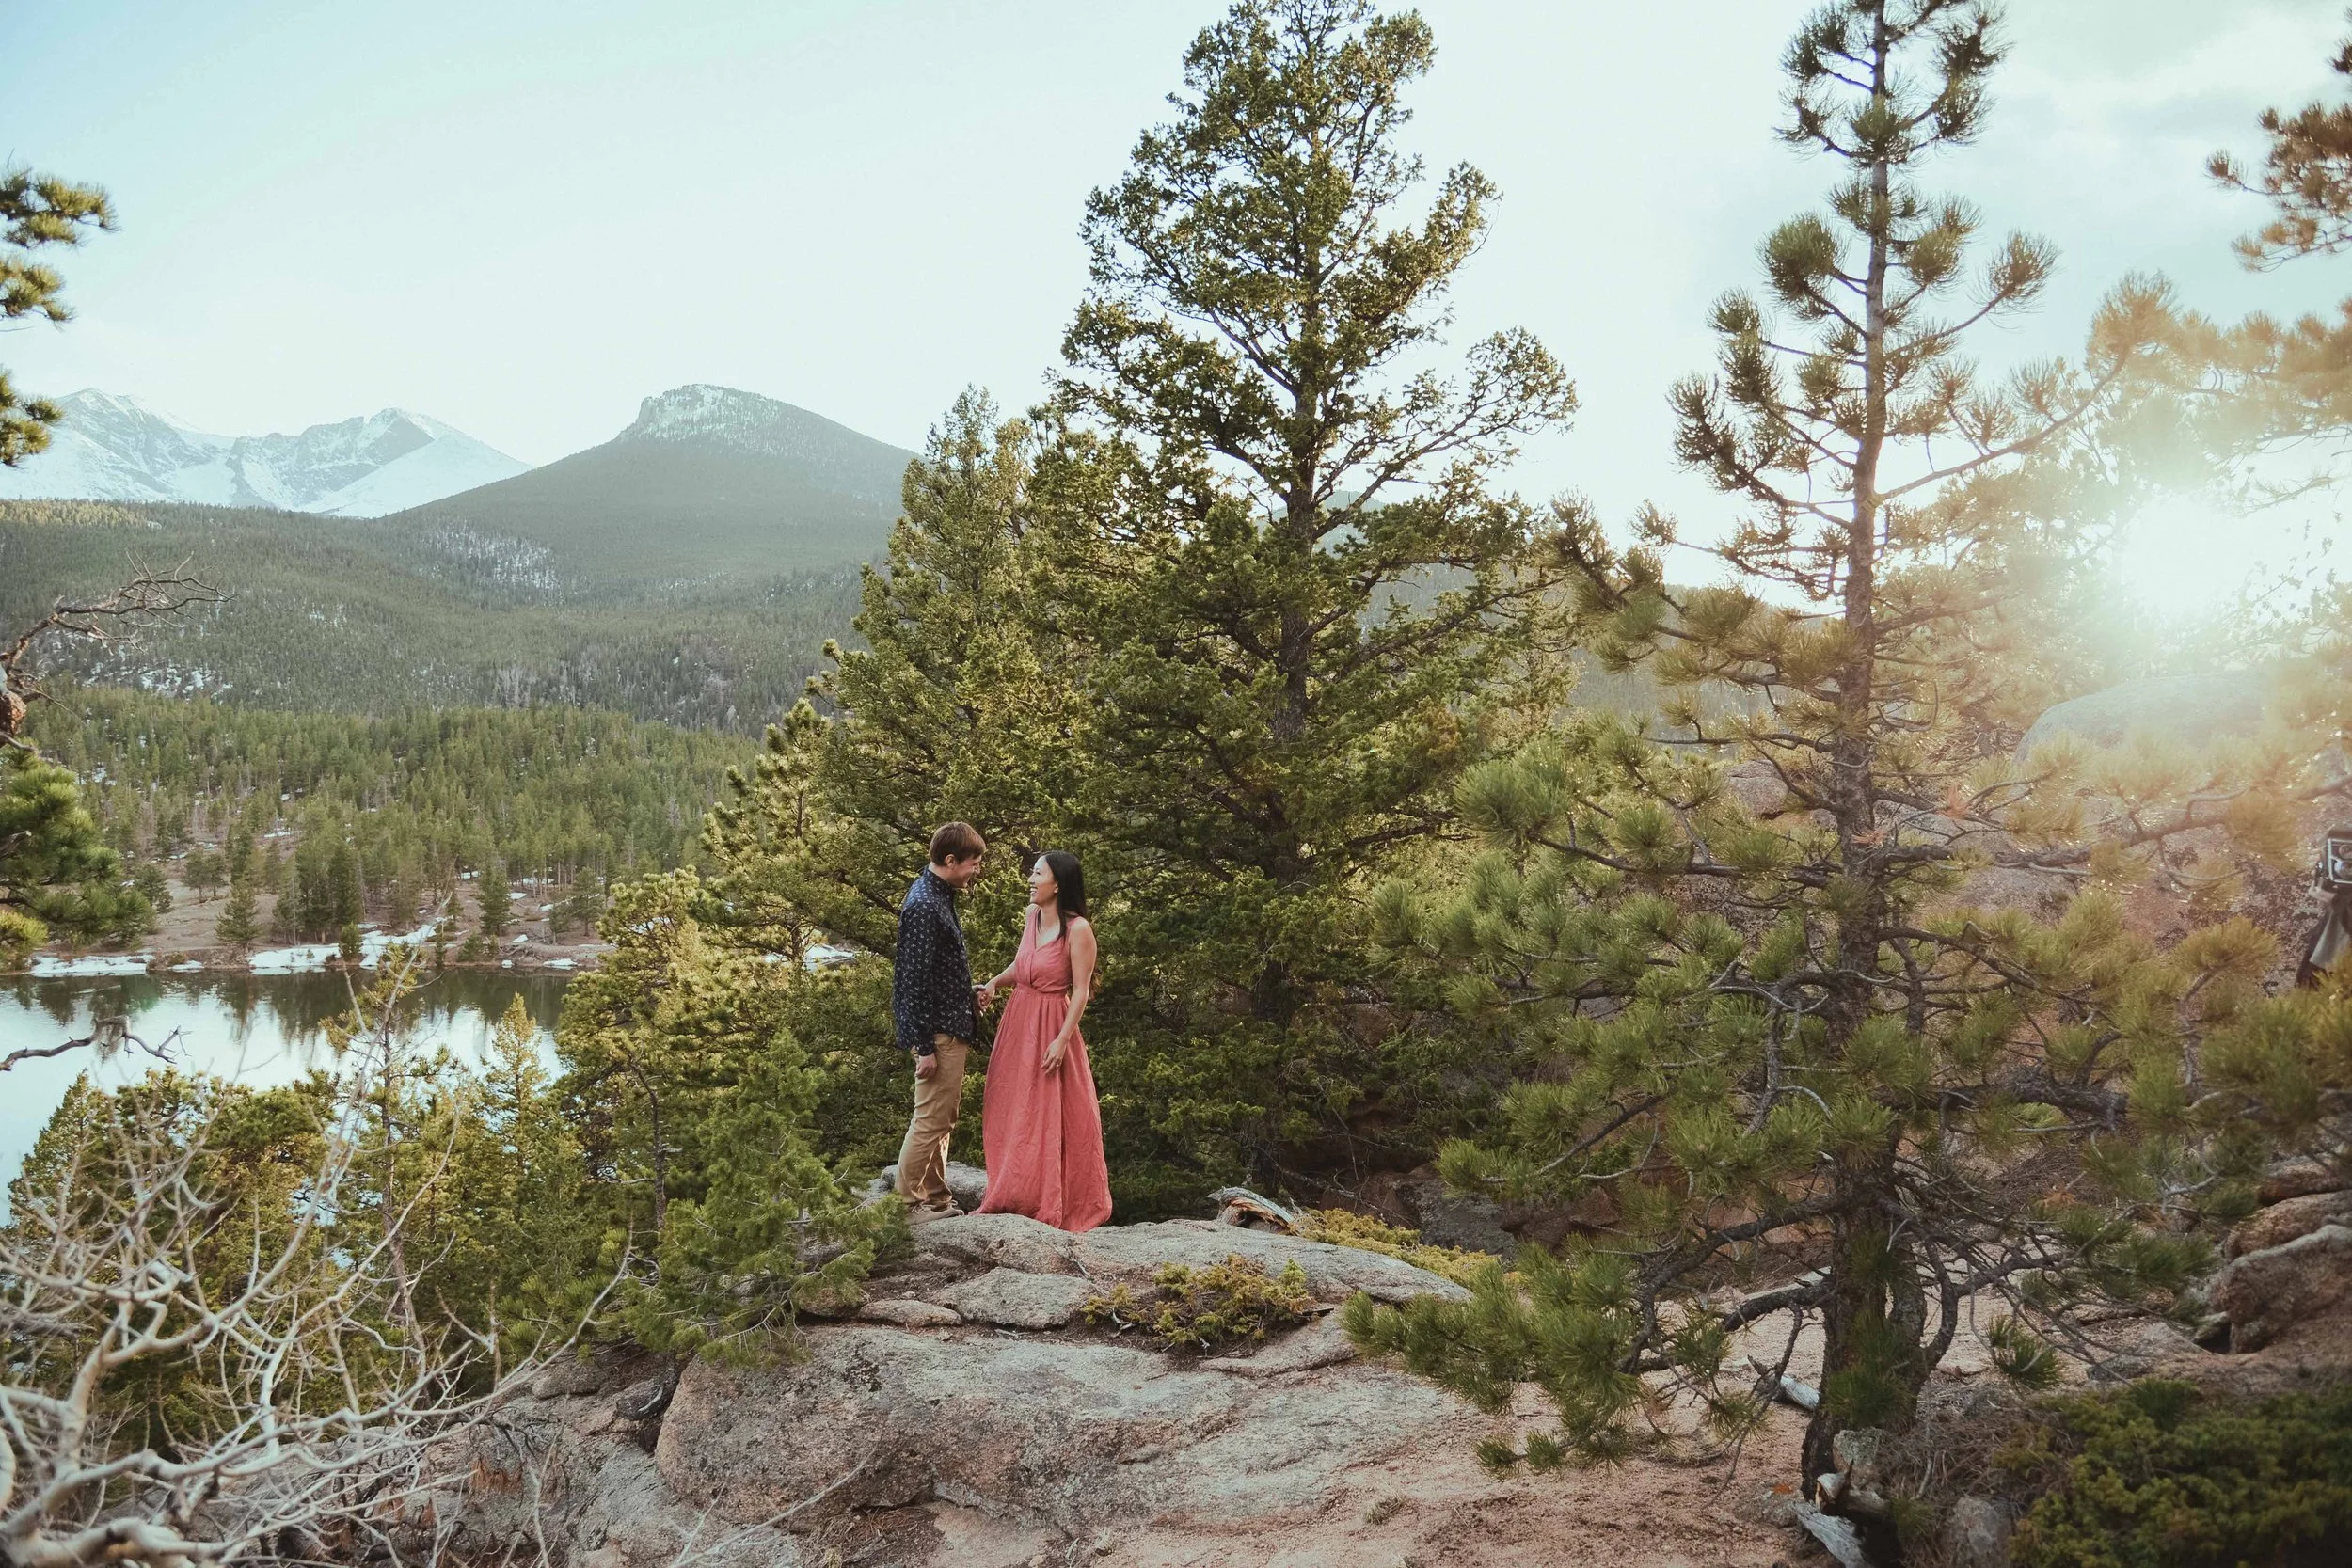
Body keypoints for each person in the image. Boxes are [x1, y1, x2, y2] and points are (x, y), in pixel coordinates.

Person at [974, 850, 1112, 1231]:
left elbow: (1081, 991)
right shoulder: (1031, 916)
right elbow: (1023, 964)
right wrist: (994, 983)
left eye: (1038, 874)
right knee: (1014, 1105)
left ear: (1058, 884)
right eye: (1033, 873)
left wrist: (1061, 1040)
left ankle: (1053, 1198)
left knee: (1053, 1113)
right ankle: (1016, 1189)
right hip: (1020, 1020)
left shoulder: (1079, 929)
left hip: (1054, 1022)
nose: (1031, 880)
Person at [892, 821, 987, 1216]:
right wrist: (924, 1045)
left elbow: (935, 972)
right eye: (974, 863)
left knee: (941, 1118)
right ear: (951, 861)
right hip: (939, 1034)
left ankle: (935, 1196)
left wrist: (968, 994)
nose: (977, 870)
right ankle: (908, 1206)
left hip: (948, 1023)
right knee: (931, 1119)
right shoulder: (925, 906)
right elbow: (911, 982)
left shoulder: (937, 895)